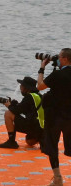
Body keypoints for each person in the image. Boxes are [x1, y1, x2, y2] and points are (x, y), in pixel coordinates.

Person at [37, 49, 71, 186]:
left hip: (55, 117)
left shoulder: (57, 75)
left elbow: (40, 86)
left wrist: (42, 68)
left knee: (52, 146)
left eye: (59, 56)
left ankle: (58, 178)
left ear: (63, 58)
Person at [0, 76, 43, 149]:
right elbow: (27, 110)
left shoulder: (29, 97)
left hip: (34, 126)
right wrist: (15, 105)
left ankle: (11, 141)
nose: (20, 88)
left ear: (26, 88)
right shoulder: (39, 96)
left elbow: (17, 111)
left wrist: (9, 105)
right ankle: (41, 139)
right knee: (29, 142)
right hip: (42, 129)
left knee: (8, 113)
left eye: (21, 86)